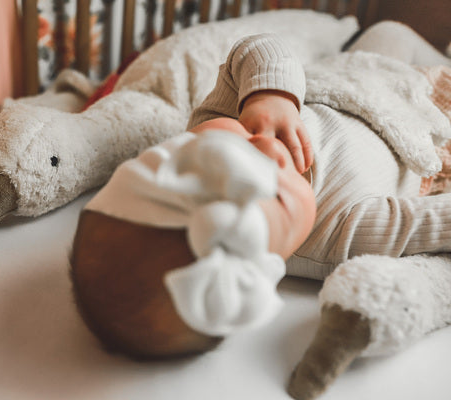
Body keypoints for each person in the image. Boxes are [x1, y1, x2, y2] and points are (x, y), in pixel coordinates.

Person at [69, 21, 451, 360]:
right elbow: (432, 221)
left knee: (389, 33)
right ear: (268, 270)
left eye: (227, 150)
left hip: (363, 76)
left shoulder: (216, 119)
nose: (269, 148)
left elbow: (255, 49)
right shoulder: (341, 235)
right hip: (433, 125)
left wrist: (270, 94)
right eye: (280, 194)